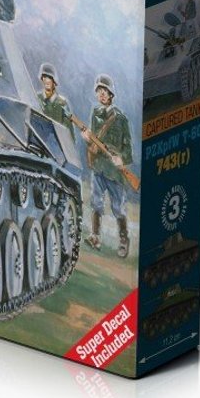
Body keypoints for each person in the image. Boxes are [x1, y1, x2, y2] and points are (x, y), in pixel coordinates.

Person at [80, 74, 133, 258]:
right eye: (99, 91)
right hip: (99, 167)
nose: (102, 94)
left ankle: (124, 240)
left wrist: (121, 159)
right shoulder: (95, 114)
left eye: (105, 91)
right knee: (96, 202)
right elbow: (94, 142)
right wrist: (87, 139)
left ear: (111, 95)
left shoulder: (120, 119)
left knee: (118, 208)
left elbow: (128, 149)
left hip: (114, 171)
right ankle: (95, 236)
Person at [37, 63, 75, 142]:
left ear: (54, 81)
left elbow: (69, 133)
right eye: (44, 77)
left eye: (49, 78)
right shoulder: (37, 98)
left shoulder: (62, 103)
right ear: (42, 79)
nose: (46, 80)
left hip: (55, 145)